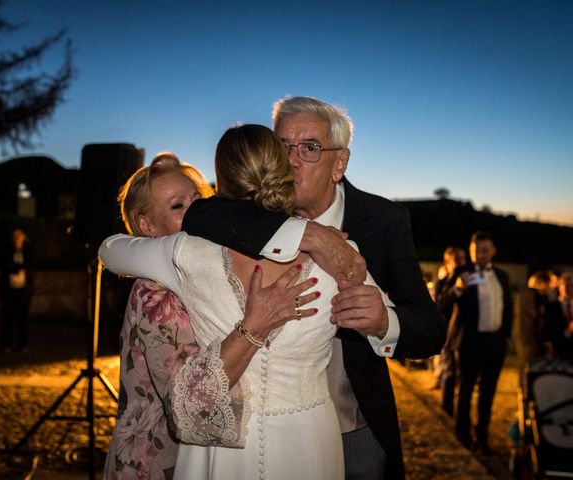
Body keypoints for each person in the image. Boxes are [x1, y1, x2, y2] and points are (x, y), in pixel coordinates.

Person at [100, 124, 397, 480]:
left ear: (219, 185)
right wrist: (307, 234)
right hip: (307, 439)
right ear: (283, 171)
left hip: (216, 455)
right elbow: (389, 321)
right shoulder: (339, 252)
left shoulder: (184, 253)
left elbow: (110, 249)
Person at [179, 96, 446, 479]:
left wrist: (384, 322)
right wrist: (314, 236)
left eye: (310, 148)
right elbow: (199, 212)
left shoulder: (382, 220)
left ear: (340, 163)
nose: (291, 160)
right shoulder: (251, 209)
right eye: (282, 146)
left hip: (356, 424)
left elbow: (430, 331)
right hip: (257, 431)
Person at [103, 154, 320, 480]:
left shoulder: (205, 267)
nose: (196, 213)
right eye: (178, 206)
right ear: (146, 225)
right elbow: (193, 406)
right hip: (159, 462)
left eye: (199, 200)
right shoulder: (156, 294)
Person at [445, 231, 512, 454]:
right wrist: (458, 289)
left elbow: (509, 307)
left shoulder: (502, 276)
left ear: (493, 251)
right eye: (476, 251)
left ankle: (482, 437)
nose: (480, 255)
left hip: (495, 342)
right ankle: (462, 433)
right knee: (465, 389)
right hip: (469, 342)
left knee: (488, 392)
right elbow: (442, 301)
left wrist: (505, 336)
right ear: (471, 252)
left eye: (485, 250)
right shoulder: (461, 273)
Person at [434, 246, 466, 415]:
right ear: (448, 262)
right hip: (447, 331)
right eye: (457, 259)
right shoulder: (444, 281)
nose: (461, 263)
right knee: (450, 369)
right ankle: (447, 407)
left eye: (463, 258)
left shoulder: (468, 278)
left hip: (464, 332)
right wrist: (456, 291)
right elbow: (438, 303)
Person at [0, 227, 34, 352]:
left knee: (23, 317)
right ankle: (6, 343)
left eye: (19, 235)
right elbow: (5, 265)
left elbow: (30, 265)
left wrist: (20, 267)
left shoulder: (28, 250)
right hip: (8, 289)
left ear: (24, 237)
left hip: (24, 289)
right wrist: (17, 267)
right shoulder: (7, 249)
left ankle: (22, 344)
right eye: (15, 235)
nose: (17, 238)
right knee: (8, 316)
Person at [518, 270, 557, 369]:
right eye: (548, 285)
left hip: (525, 337)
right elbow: (537, 314)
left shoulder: (525, 293)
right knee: (530, 366)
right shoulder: (533, 294)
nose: (549, 288)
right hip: (531, 338)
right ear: (542, 283)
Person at [543, 271, 573, 360]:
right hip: (558, 354)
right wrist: (568, 331)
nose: (568, 288)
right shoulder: (551, 307)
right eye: (565, 285)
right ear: (559, 286)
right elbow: (548, 332)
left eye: (571, 285)